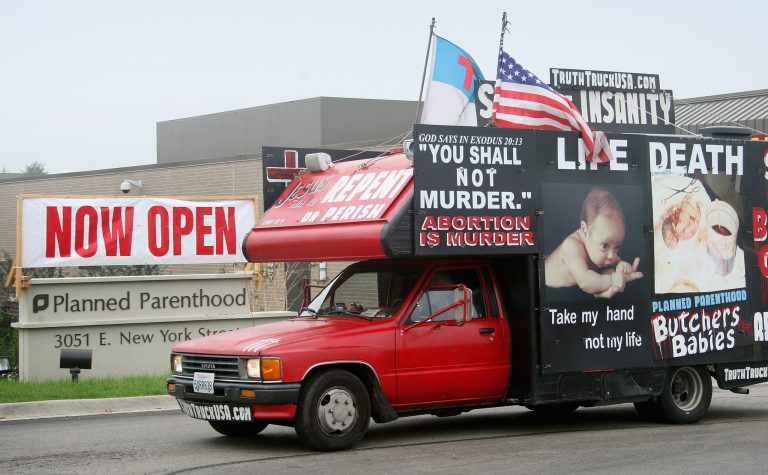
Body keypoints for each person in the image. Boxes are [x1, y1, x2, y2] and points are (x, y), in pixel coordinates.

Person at [545, 187, 643, 298]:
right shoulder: (571, 246)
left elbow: (614, 259)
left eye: (616, 247)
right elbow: (585, 282)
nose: (612, 255)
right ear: (585, 231)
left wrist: (621, 266)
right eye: (605, 245)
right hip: (548, 286)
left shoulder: (604, 244)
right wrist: (612, 279)